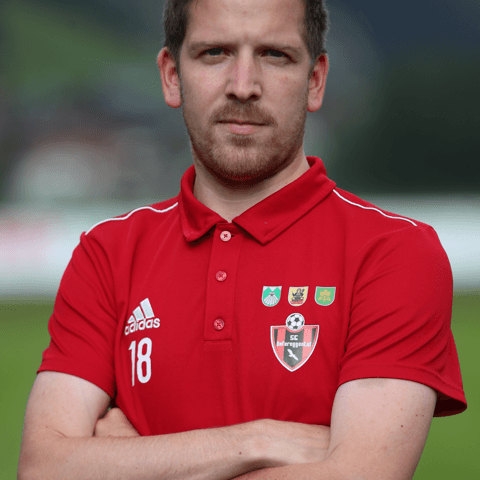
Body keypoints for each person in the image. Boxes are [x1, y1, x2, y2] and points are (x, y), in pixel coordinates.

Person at [18, 0, 467, 478]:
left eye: (275, 55)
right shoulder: (106, 253)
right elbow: (44, 468)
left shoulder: (395, 252)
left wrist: (134, 463)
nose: (243, 86)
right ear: (171, 76)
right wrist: (260, 440)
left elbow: (362, 475)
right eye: (215, 53)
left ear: (315, 81)